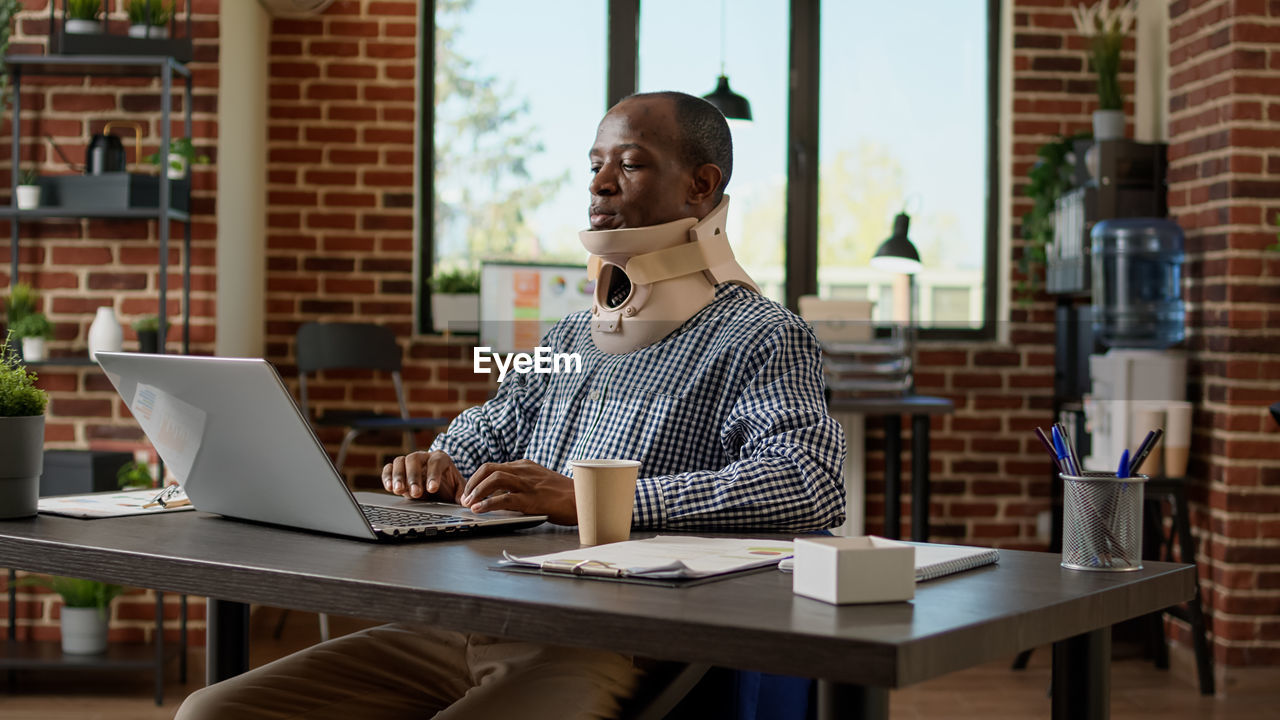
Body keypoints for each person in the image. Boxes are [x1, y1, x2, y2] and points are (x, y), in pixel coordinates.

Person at [176, 91, 845, 720]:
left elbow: (808, 484)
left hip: (610, 641)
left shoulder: (762, 335)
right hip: (478, 617)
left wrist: (593, 501)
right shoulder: (566, 336)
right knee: (210, 711)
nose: (599, 183)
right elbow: (491, 423)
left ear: (702, 186)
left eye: (631, 164)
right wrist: (438, 462)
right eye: (594, 165)